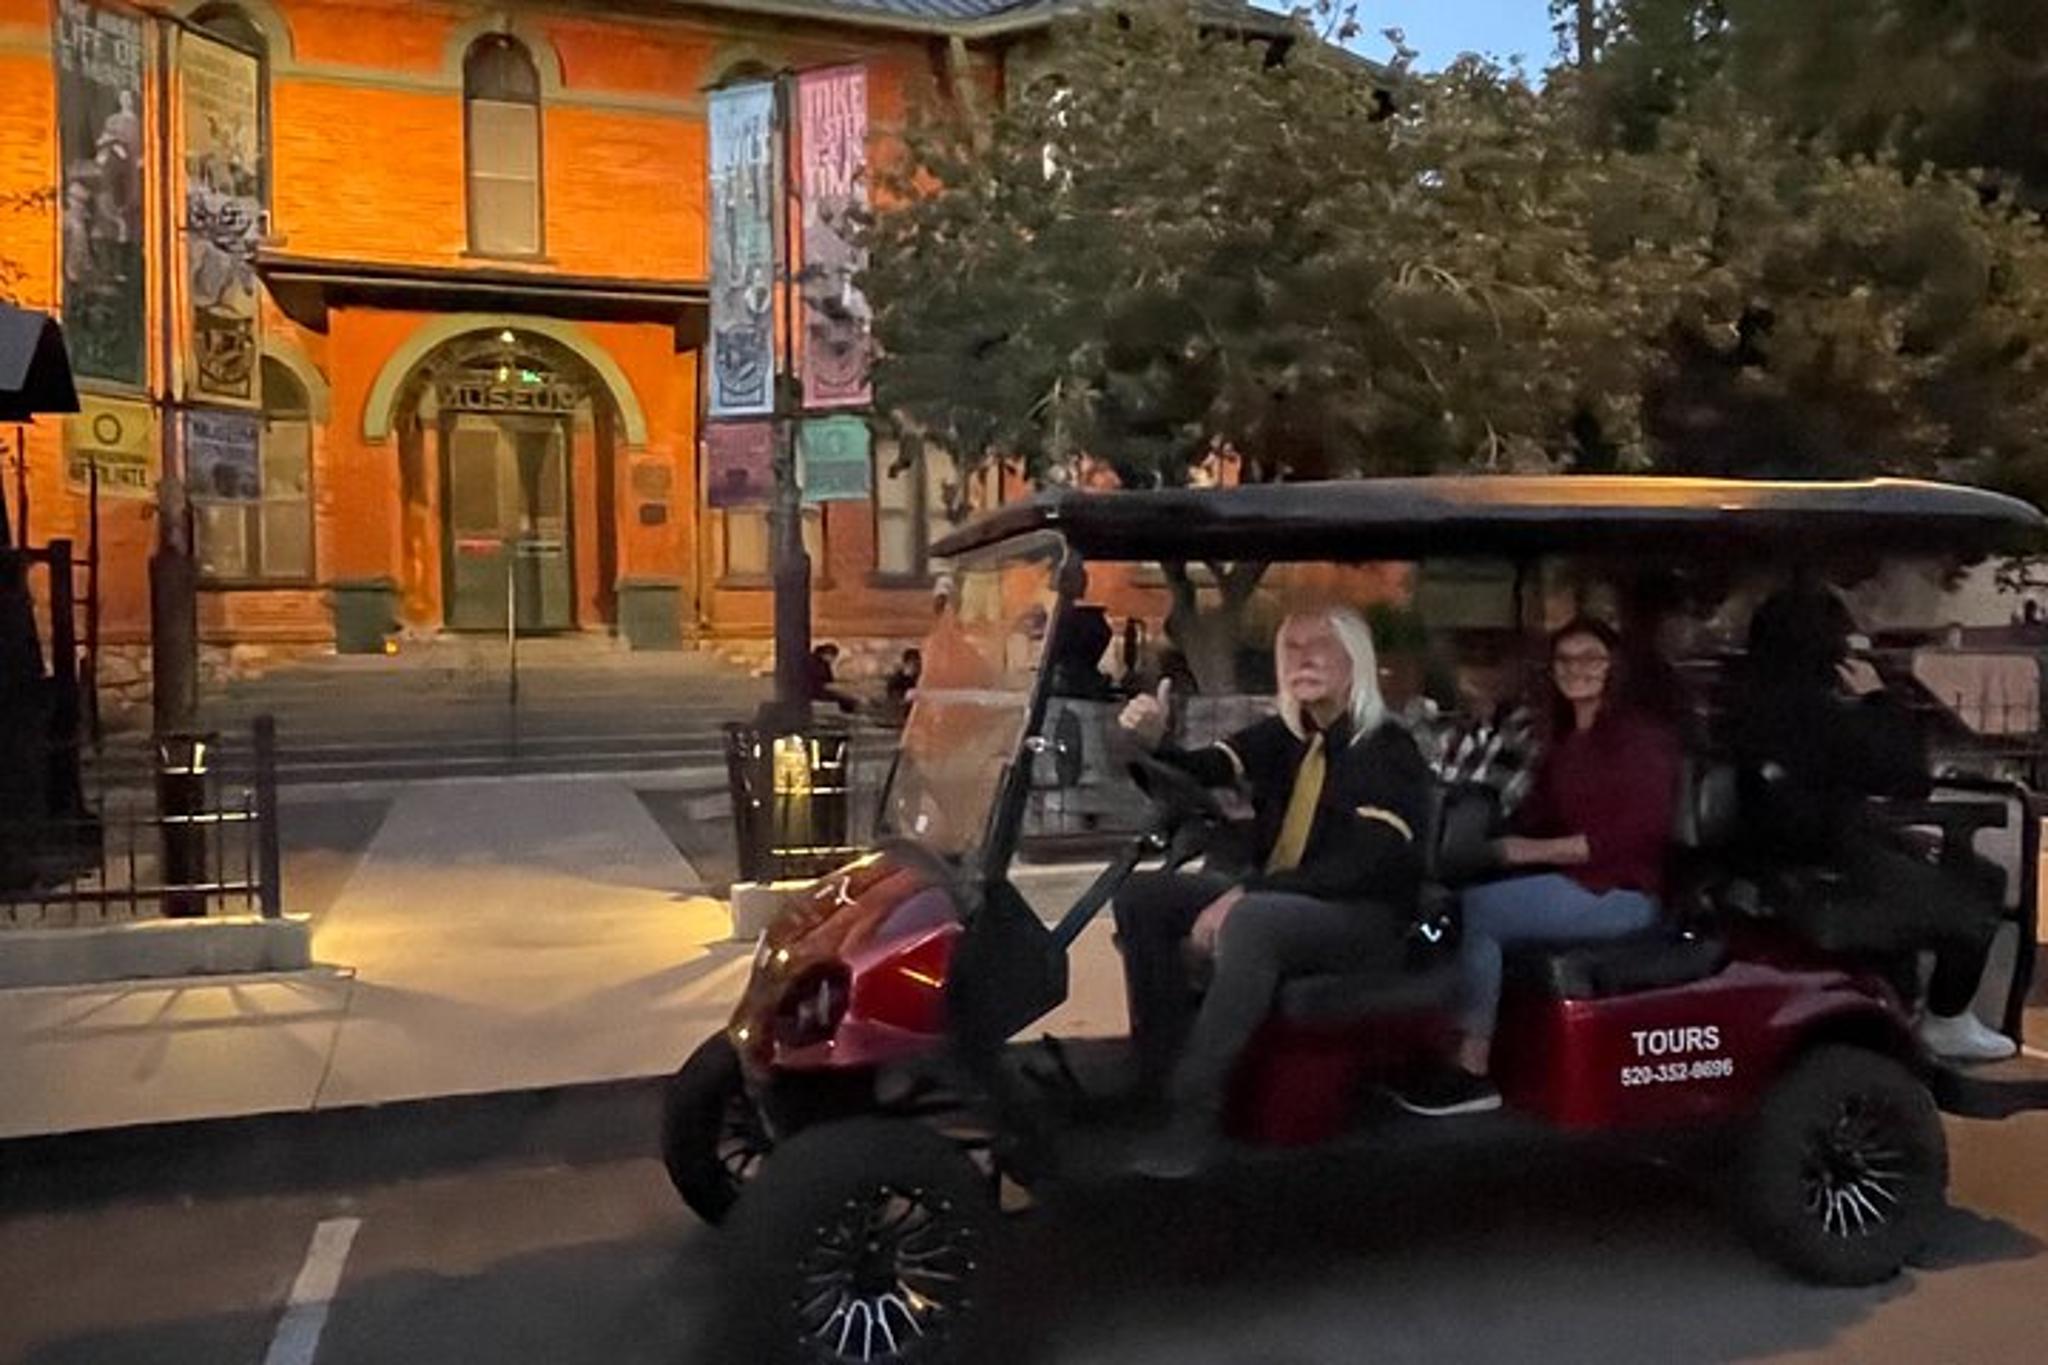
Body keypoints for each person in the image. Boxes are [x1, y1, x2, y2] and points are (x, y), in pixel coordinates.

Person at [1112, 606, 1433, 1176]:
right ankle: (1160, 1072)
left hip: (1364, 920)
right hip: (1288, 898)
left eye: (1319, 648)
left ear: (1353, 661)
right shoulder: (1288, 735)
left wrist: (1245, 894)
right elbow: (1208, 765)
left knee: (1252, 922)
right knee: (1144, 896)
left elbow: (1361, 867)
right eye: (1291, 649)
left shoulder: (1386, 751)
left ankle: (1194, 1111)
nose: (1302, 659)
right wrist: (1155, 741)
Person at [1402, 617, 1681, 1117]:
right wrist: (1476, 830)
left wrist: (1522, 851)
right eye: (1566, 660)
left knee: (1481, 912)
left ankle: (1473, 1068)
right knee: (1446, 900)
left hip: (1621, 892)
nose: (1578, 670)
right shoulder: (1564, 741)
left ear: (1613, 666)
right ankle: (1435, 1044)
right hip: (1574, 883)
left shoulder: (1640, 740)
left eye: (1591, 658)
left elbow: (1631, 836)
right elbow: (1535, 813)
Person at [1726, 585, 2016, 1063]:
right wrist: (1878, 698)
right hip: (1819, 863)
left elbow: (1819, 790)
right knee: (1977, 889)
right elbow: (1909, 778)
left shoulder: (1752, 699)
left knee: (1929, 861)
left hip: (1777, 854)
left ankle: (1912, 1003)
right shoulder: (1816, 708)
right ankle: (1947, 1018)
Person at [1428, 631, 1541, 819]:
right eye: (1468, 658)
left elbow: (1502, 810)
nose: (1479, 670)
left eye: (1492, 659)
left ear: (1517, 666)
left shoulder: (1530, 733)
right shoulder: (1449, 734)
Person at [806, 643, 858, 715]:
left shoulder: (824, 664)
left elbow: (829, 679)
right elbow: (818, 679)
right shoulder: (814, 662)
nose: (833, 659)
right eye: (833, 656)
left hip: (821, 689)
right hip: (815, 690)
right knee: (843, 699)